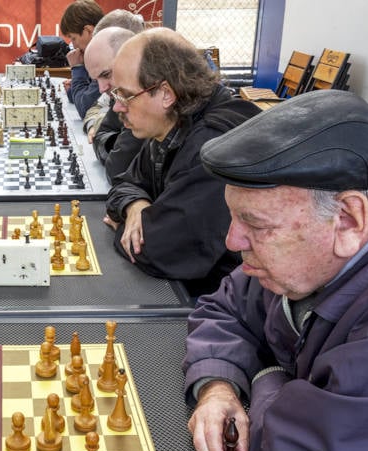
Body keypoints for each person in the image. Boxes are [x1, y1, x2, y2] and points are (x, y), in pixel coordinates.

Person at [183, 89, 368, 451]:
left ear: (349, 220)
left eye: (257, 224)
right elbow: (223, 305)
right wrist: (219, 386)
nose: (232, 241)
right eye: (233, 217)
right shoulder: (296, 267)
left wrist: (268, 375)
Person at [104, 28, 260, 297]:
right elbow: (124, 181)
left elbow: (159, 250)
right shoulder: (172, 123)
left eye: (125, 96)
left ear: (166, 93)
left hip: (228, 305)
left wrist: (123, 227)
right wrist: (135, 205)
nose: (117, 107)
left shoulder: (214, 148)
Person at [82, 26, 143, 183]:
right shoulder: (121, 98)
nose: (102, 88)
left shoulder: (141, 101)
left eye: (106, 74)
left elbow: (117, 170)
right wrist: (117, 143)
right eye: (97, 80)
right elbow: (101, 136)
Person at [59, 0, 104, 119]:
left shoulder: (106, 56)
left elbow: (85, 108)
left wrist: (77, 69)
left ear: (88, 30)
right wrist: (74, 87)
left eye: (73, 38)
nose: (73, 46)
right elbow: (80, 96)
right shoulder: (95, 53)